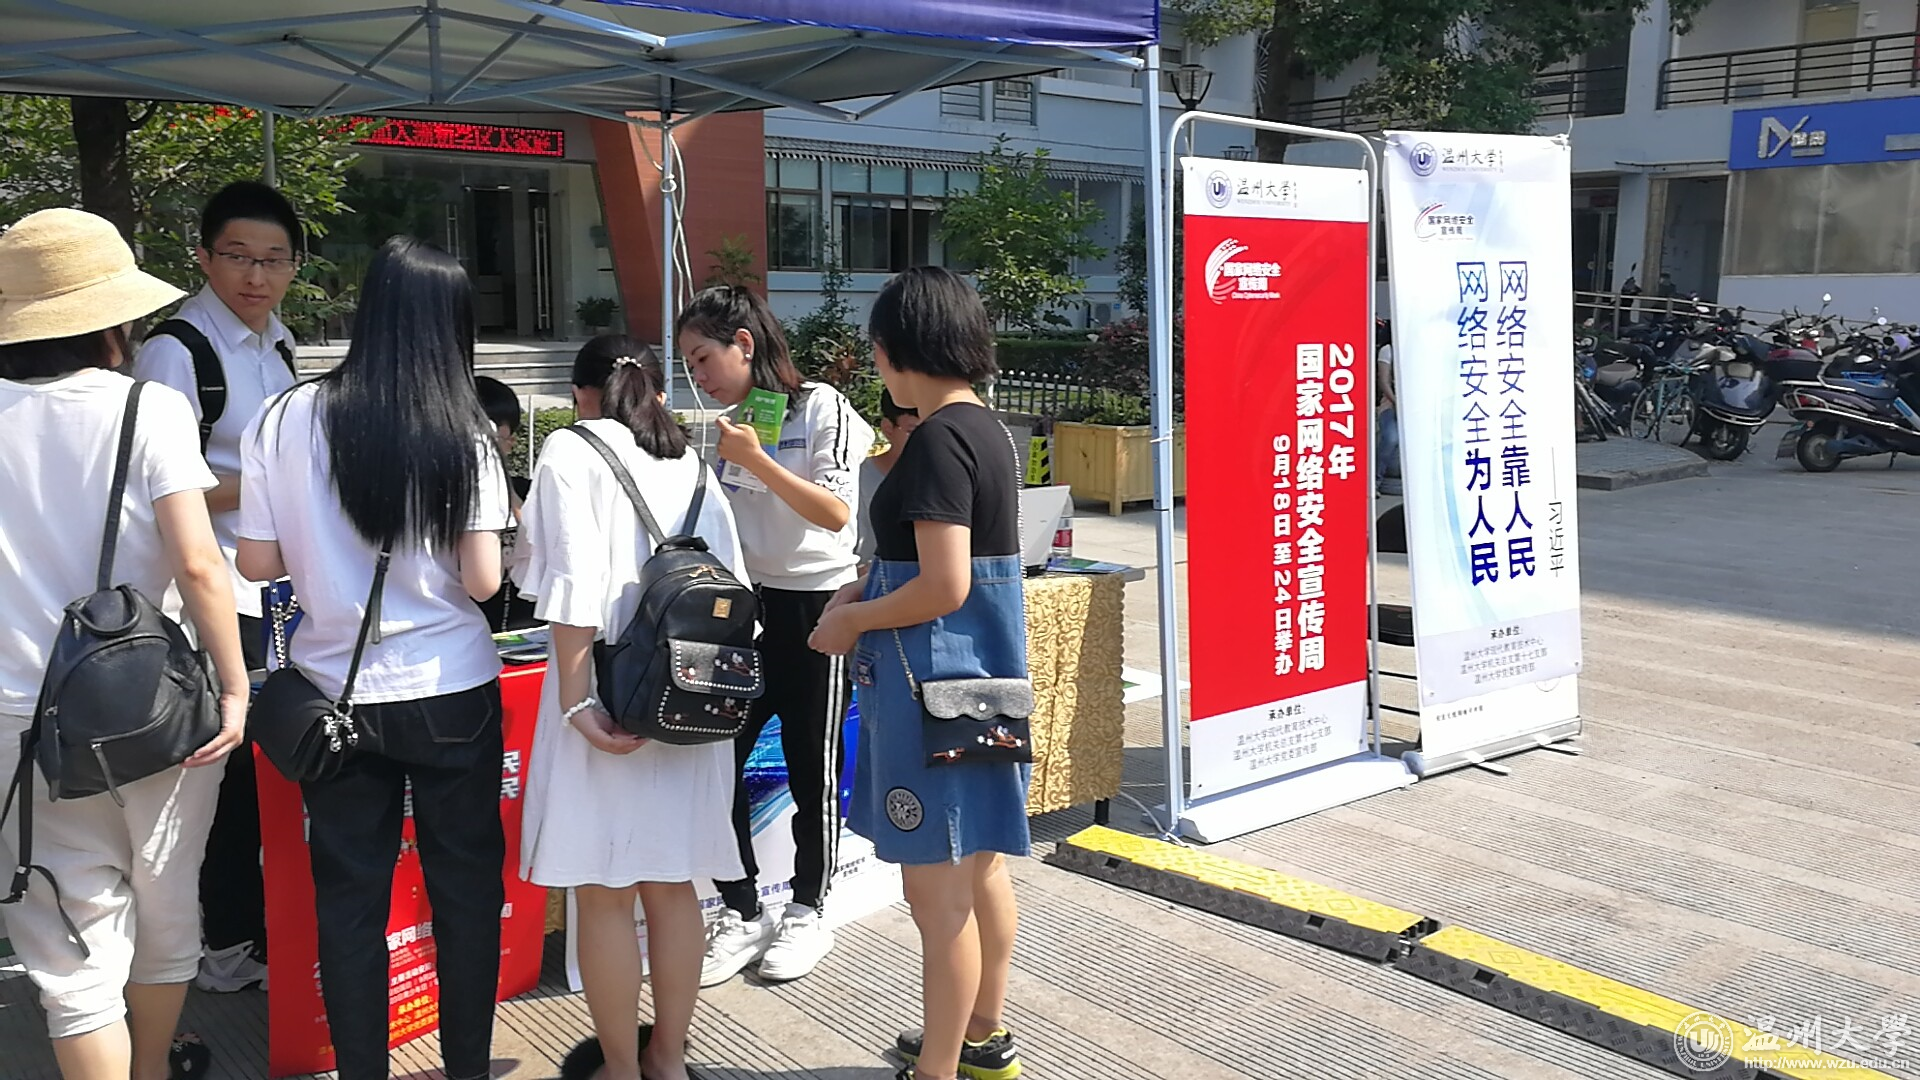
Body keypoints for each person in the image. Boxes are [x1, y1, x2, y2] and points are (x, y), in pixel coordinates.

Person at [235, 236, 511, 1080]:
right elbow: (483, 579)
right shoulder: (463, 430)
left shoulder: (283, 417)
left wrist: (327, 551)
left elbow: (257, 561)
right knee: (465, 893)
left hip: (335, 695)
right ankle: (467, 1068)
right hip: (450, 690)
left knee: (349, 899)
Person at [0, 208, 248, 1080]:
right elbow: (199, 562)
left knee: (70, 961)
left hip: (16, 715)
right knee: (166, 915)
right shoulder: (149, 407)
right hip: (152, 711)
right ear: (114, 318)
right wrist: (234, 687)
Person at [807, 267, 1031, 1080]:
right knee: (982, 868)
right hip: (981, 687)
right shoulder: (988, 429)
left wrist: (851, 621)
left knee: (937, 904)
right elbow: (943, 564)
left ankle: (939, 1068)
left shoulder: (936, 439)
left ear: (894, 348)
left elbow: (944, 584)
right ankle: (980, 1034)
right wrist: (867, 586)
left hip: (929, 693)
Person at [516, 338, 749, 1080]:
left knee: (605, 893)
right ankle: (668, 1060)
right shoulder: (692, 464)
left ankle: (619, 1068)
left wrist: (576, 704)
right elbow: (734, 587)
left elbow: (567, 587)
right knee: (675, 888)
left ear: (582, 394)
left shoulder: (570, 450)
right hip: (691, 703)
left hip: (606, 696)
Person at [134, 179, 304, 994]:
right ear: (203, 257)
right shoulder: (178, 351)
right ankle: (225, 943)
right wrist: (271, 487)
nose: (256, 276)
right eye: (238, 256)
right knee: (224, 777)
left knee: (272, 768)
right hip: (207, 592)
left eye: (274, 259)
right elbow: (158, 490)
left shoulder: (281, 343)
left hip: (275, 591)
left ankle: (256, 928)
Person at [678, 286, 875, 987]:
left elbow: (835, 513)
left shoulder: (823, 407)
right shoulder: (736, 425)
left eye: (703, 358)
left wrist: (758, 459)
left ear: (744, 342)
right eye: (688, 365)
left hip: (817, 606)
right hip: (746, 608)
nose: (698, 377)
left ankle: (808, 908)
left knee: (809, 763)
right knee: (717, 760)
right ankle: (740, 910)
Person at [474, 375, 538, 632]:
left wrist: (510, 494)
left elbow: (542, 545)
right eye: (504, 429)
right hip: (474, 629)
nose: (511, 440)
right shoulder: (447, 500)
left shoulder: (526, 490)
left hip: (527, 627)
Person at [855, 387, 920, 569]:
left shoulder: (942, 478)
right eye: (913, 431)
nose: (925, 438)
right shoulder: (858, 477)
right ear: (887, 428)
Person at [1374, 318, 1401, 498]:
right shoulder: (1387, 350)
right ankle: (1375, 480)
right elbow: (1383, 382)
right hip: (1390, 405)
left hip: (1413, 409)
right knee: (1391, 438)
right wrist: (1397, 402)